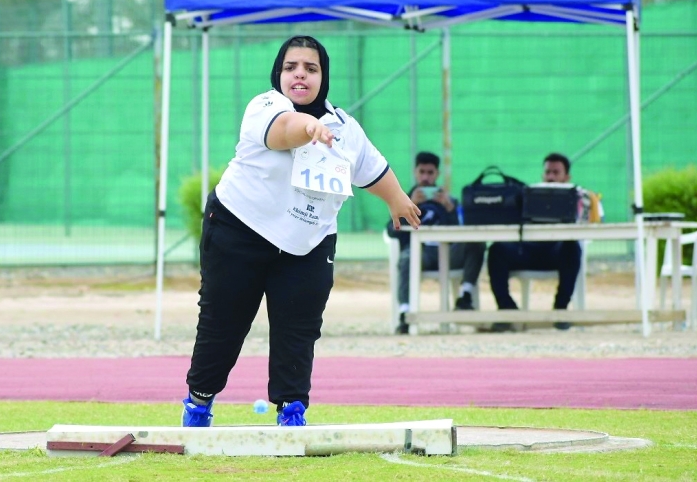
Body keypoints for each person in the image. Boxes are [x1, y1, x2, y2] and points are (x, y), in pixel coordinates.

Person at [182, 35, 421, 428]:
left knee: (299, 329)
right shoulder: (265, 106)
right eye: (292, 67)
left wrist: (396, 199)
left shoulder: (346, 128)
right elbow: (285, 131)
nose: (300, 74)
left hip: (307, 243)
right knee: (223, 325)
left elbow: (373, 170)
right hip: (238, 230)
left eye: (311, 69)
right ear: (279, 74)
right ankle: (198, 403)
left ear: (323, 78)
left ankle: (292, 411)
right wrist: (309, 126)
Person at [486, 152, 602, 332]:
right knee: (496, 249)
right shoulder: (528, 194)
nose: (551, 177)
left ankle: (560, 310)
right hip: (527, 250)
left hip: (556, 252)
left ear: (567, 177)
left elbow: (592, 224)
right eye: (548, 172)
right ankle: (507, 310)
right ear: (542, 175)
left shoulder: (580, 198)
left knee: (573, 247)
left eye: (556, 173)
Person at [388, 151, 487, 335]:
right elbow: (392, 231)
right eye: (422, 172)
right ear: (415, 172)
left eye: (430, 173)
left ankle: (465, 296)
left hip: (449, 253)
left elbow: (460, 234)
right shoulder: (403, 200)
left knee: (477, 244)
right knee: (407, 258)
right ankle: (405, 313)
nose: (426, 177)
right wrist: (408, 205)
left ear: (437, 174)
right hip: (420, 254)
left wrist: (449, 210)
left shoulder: (449, 201)